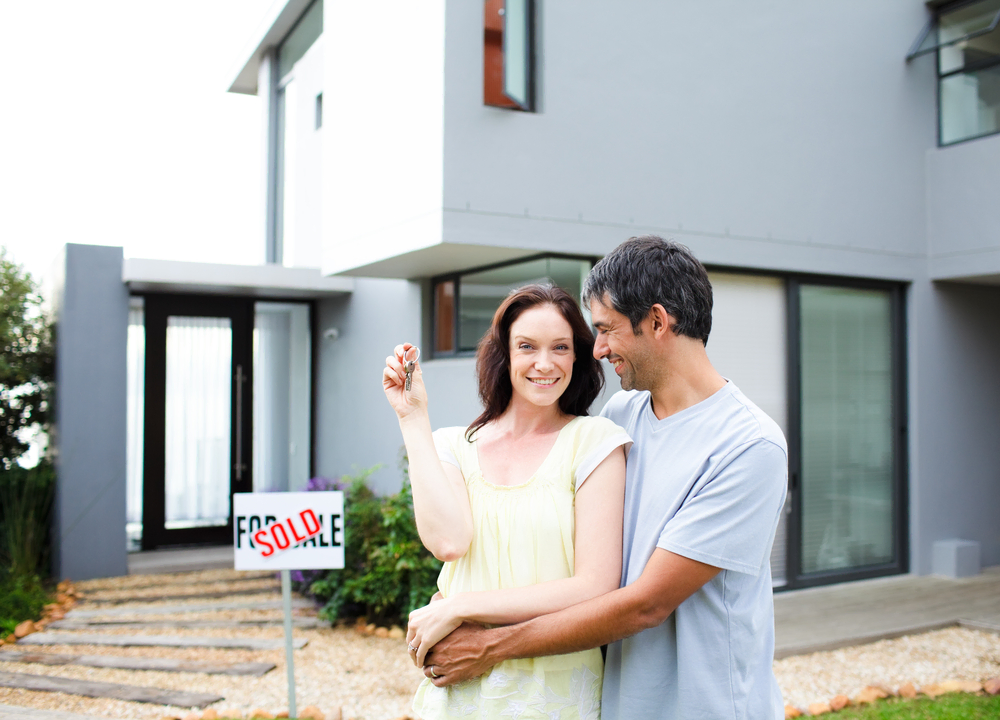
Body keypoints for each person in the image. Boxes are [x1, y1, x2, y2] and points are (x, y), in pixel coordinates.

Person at [420, 236, 789, 720]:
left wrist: (491, 645)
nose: (597, 350)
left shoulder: (748, 446)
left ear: (658, 321)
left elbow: (646, 605)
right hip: (617, 703)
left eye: (607, 329)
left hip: (705, 706)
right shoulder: (624, 415)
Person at [382, 284, 632, 719]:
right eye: (527, 347)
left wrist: (460, 606)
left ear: (577, 356)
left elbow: (595, 585)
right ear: (505, 354)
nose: (544, 363)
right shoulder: (454, 446)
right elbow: (448, 543)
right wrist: (412, 417)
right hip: (459, 694)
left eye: (560, 347)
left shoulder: (595, 441)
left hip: (556, 693)